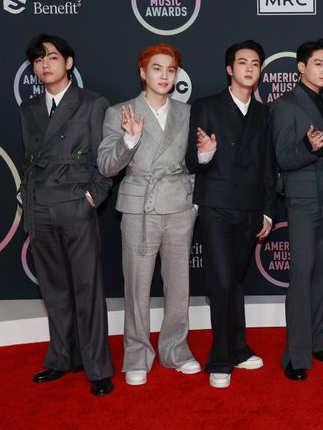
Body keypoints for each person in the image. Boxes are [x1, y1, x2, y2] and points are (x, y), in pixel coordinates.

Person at [98, 43, 203, 386]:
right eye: (157, 68)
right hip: (138, 206)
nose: (164, 76)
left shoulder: (187, 113)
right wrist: (129, 141)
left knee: (179, 286)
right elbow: (106, 166)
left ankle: (176, 350)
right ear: (143, 72)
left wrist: (193, 200)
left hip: (178, 206)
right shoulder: (119, 112)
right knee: (137, 286)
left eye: (171, 70)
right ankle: (137, 355)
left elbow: (193, 162)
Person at [18, 33, 114, 396]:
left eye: (52, 57)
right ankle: (63, 358)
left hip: (76, 206)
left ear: (69, 63)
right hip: (40, 207)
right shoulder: (28, 108)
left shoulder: (92, 103)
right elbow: (29, 158)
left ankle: (97, 367)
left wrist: (92, 197)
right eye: (38, 59)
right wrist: (26, 197)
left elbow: (105, 160)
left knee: (88, 288)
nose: (45, 64)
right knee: (54, 289)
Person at [185, 40, 276, 389]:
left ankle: (238, 348)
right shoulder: (206, 106)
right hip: (216, 207)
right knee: (222, 283)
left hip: (250, 209)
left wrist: (268, 212)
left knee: (234, 283)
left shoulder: (264, 113)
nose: (249, 68)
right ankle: (220, 359)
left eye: (255, 63)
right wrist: (206, 153)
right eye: (242, 62)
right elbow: (191, 161)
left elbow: (268, 166)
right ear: (229, 69)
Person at [271, 39, 323, 381]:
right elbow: (282, 158)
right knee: (302, 274)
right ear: (301, 67)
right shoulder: (284, 105)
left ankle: (317, 340)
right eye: (318, 64)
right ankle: (296, 354)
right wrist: (307, 147)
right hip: (302, 197)